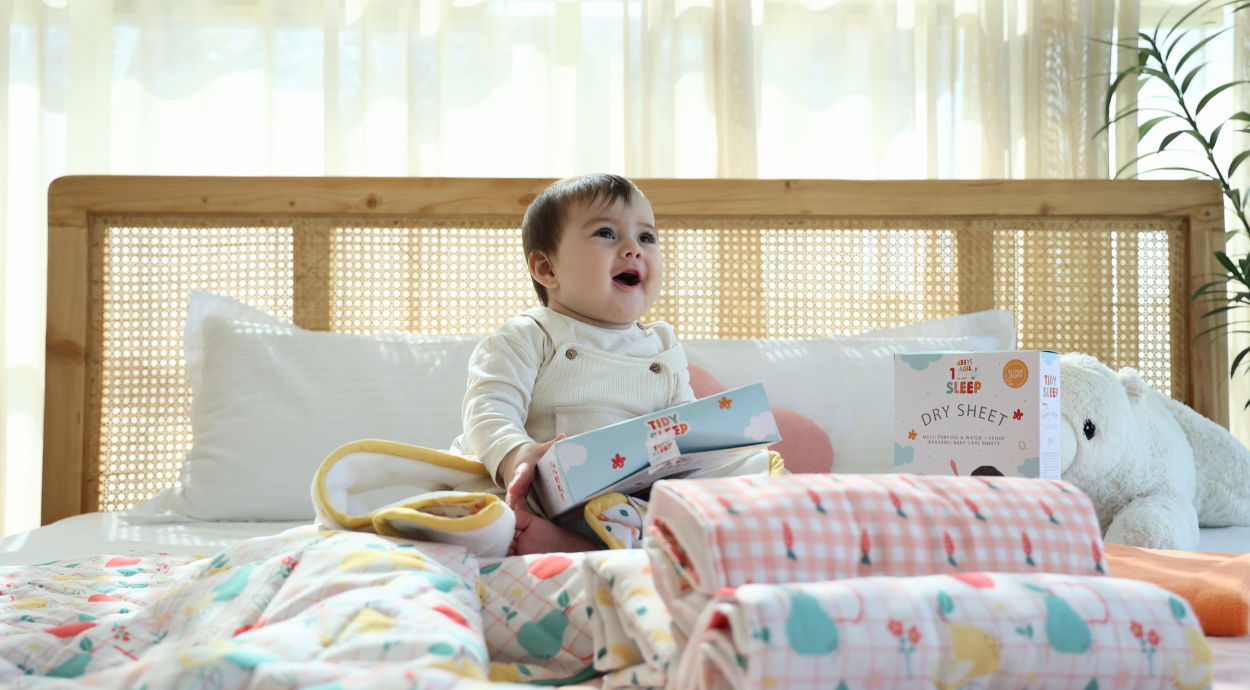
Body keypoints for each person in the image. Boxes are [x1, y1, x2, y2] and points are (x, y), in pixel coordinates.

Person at [451, 174, 769, 555]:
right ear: (547, 269)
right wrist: (514, 453)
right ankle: (552, 534)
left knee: (749, 470)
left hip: (628, 500)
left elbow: (685, 428)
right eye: (606, 233)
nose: (633, 248)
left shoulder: (663, 346)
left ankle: (582, 544)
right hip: (534, 490)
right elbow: (488, 405)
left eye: (646, 238)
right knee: (481, 510)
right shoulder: (531, 334)